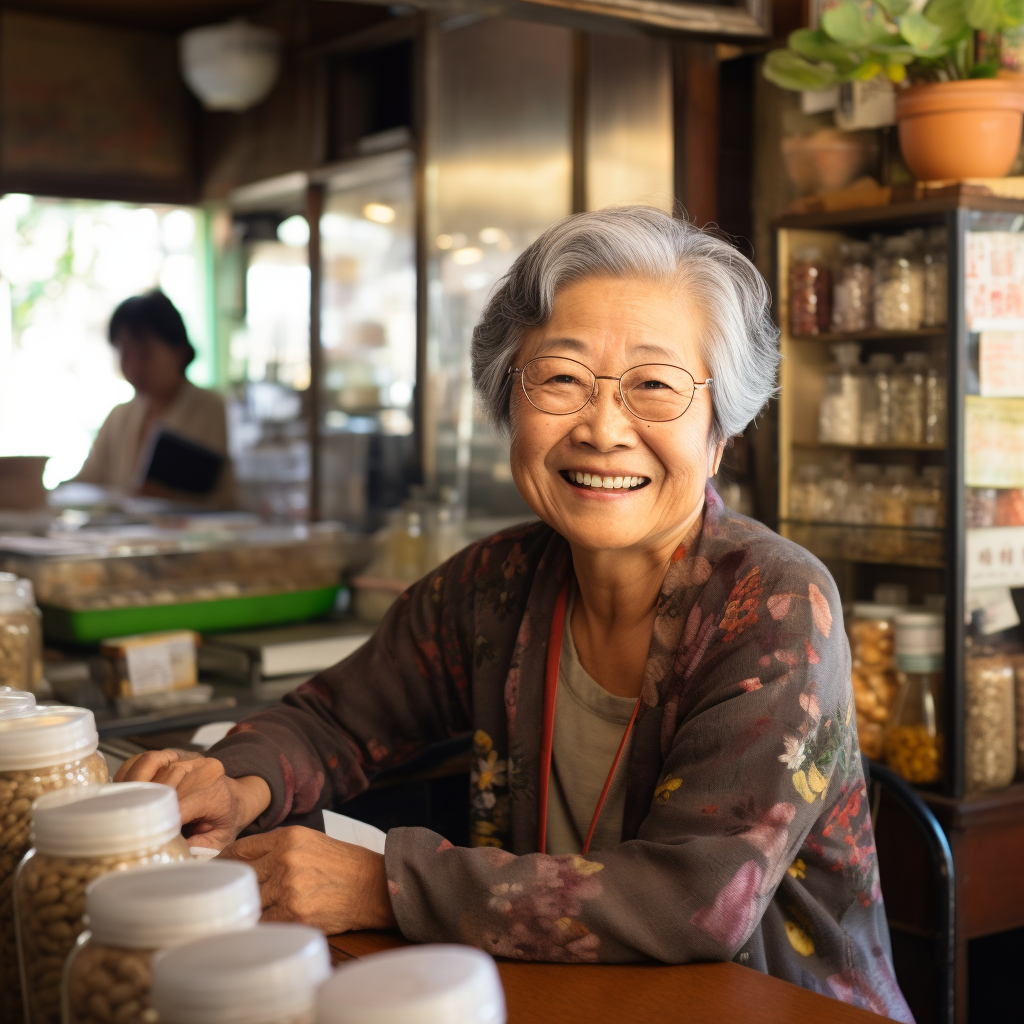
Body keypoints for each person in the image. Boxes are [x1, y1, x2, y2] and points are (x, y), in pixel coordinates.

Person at [117, 208, 911, 1020]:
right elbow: (338, 720)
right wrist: (239, 781)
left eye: (656, 386)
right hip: (562, 996)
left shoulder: (773, 604)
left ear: (719, 431)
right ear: (509, 404)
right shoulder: (496, 584)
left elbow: (693, 898)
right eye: (562, 378)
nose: (604, 429)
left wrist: (380, 882)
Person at [74, 290, 235, 507]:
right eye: (123, 352)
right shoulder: (119, 416)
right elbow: (85, 483)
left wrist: (175, 501)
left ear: (179, 351)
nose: (132, 366)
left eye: (144, 354)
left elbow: (235, 499)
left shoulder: (218, 411)